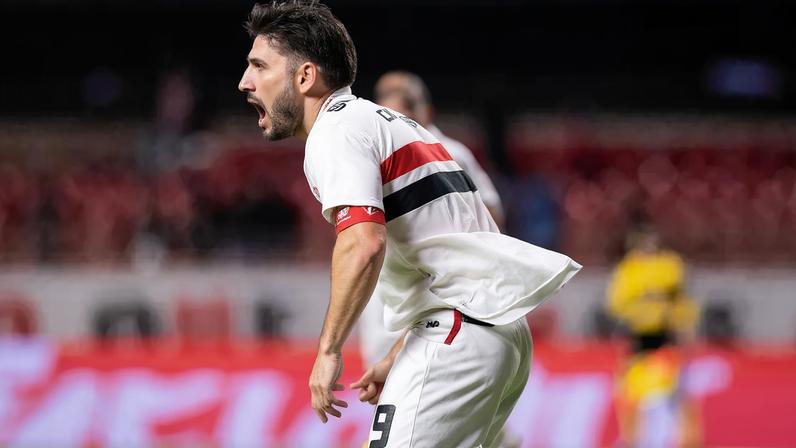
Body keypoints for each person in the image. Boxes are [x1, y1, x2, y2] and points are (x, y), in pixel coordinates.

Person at [237, 2, 581, 446]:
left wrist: (328, 350)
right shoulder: (398, 127)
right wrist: (399, 353)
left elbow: (363, 243)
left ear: (305, 77)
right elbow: (457, 256)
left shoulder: (336, 132)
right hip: (494, 332)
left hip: (458, 336)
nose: (245, 81)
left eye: (259, 66)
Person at [359, 70, 505, 369]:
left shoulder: (452, 153)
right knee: (380, 371)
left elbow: (491, 215)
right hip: (388, 281)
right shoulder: (375, 153)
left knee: (432, 372)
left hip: (435, 285)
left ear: (424, 112)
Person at [606, 223, 701, 447]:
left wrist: (684, 326)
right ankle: (633, 439)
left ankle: (686, 439)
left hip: (667, 338)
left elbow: (682, 301)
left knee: (671, 394)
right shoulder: (628, 270)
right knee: (633, 393)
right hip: (639, 339)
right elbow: (617, 305)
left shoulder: (670, 266)